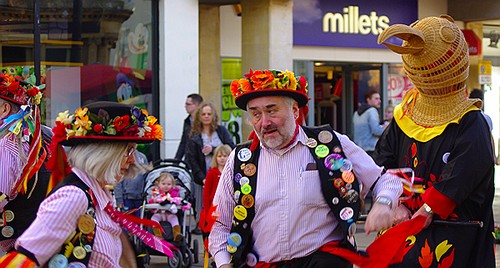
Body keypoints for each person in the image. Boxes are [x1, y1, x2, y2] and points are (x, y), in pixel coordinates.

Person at [209, 69, 403, 268]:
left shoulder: (330, 144)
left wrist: (384, 203)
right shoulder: (241, 160)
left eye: (272, 110)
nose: (264, 122)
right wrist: (224, 264)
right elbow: (221, 224)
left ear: (294, 111)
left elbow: (385, 179)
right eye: (256, 114)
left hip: (323, 260)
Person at [371, 15, 495, 267]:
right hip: (406, 232)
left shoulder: (470, 121)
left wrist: (425, 209)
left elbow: (463, 176)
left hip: (451, 237)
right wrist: (393, 202)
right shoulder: (404, 114)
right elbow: (383, 164)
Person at [0, 101, 175, 267]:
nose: (132, 160)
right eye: (128, 150)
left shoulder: (98, 195)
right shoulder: (73, 197)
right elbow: (25, 258)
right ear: (103, 153)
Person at [0, 74, 51, 253]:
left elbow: (2, 195)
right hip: (42, 242)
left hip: (20, 246)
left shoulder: (6, 143)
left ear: (5, 109)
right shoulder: (44, 135)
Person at [186, 102, 235, 235]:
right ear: (199, 116)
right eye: (203, 114)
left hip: (222, 176)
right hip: (203, 177)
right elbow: (191, 159)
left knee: (224, 206)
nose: (206, 116)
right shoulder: (194, 135)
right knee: (204, 206)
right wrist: (202, 178)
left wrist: (213, 149)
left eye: (209, 114)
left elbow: (231, 147)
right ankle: (206, 233)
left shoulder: (221, 131)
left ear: (213, 116)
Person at [148, 172, 183, 242]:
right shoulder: (156, 193)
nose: (166, 186)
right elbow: (150, 202)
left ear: (172, 185)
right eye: (163, 184)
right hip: (158, 213)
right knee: (153, 219)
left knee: (174, 219)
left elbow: (177, 201)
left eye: (169, 184)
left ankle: (177, 234)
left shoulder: (174, 193)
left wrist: (173, 200)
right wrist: (155, 200)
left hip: (169, 213)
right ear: (158, 184)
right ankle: (158, 235)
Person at [114, 150, 150, 217]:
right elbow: (117, 182)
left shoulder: (142, 157)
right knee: (127, 221)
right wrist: (119, 200)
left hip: (140, 198)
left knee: (140, 221)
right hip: (126, 198)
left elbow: (147, 178)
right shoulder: (122, 156)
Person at [352, 89, 386, 156]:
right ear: (368, 100)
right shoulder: (372, 111)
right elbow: (376, 130)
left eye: (379, 98)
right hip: (371, 148)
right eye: (376, 99)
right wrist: (386, 129)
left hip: (358, 149)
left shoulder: (356, 113)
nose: (379, 101)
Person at [175, 93, 203, 161]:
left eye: (188, 104)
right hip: (189, 160)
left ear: (197, 105)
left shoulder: (204, 121)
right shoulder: (187, 121)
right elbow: (183, 142)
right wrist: (176, 162)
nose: (185, 106)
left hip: (201, 160)